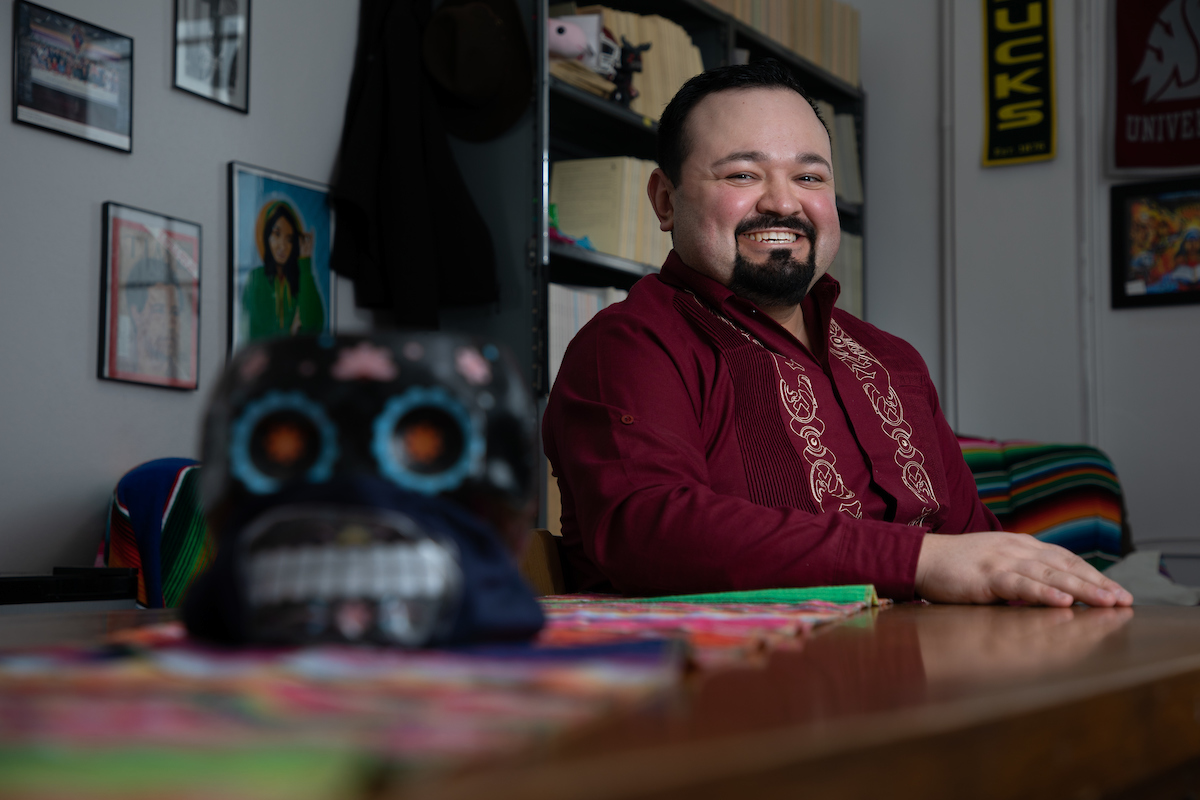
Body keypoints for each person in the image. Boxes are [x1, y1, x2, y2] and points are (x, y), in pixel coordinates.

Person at [542, 60, 1132, 608]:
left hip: (934, 679)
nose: (783, 202)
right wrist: (919, 561)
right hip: (727, 698)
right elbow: (647, 531)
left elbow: (973, 544)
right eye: (743, 174)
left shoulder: (892, 360)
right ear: (665, 200)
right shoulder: (630, 345)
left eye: (809, 176)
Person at [241, 200, 326, 342]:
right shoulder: (257, 278)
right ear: (266, 236)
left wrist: (305, 264)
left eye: (290, 239)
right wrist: (290, 332)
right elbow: (253, 334)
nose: (282, 246)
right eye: (276, 234)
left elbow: (314, 325)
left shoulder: (301, 278)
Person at [125, 255, 187, 380]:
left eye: (174, 312)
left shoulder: (184, 379)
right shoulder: (122, 370)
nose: (170, 324)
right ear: (136, 314)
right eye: (159, 310)